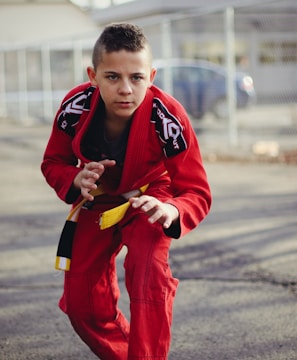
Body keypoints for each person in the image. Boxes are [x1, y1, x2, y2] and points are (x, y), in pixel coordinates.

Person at [41, 23, 211, 360]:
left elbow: (196, 190)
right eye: (112, 77)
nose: (125, 89)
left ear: (152, 76)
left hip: (151, 199)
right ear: (93, 75)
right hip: (98, 199)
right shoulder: (74, 107)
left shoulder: (168, 117)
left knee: (149, 277)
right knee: (81, 305)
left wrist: (173, 210)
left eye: (137, 77)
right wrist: (76, 179)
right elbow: (53, 162)